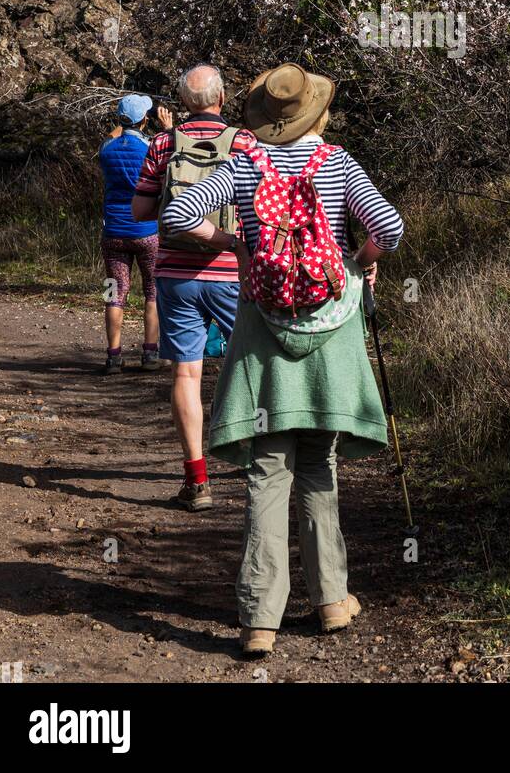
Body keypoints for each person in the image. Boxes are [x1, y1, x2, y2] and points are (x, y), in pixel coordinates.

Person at [159, 62, 404, 657]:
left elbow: (174, 216)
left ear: (265, 120)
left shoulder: (244, 165)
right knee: (319, 465)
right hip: (331, 339)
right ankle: (331, 601)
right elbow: (389, 228)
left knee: (267, 472)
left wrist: (238, 246)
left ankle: (259, 620)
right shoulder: (338, 164)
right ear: (316, 114)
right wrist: (354, 261)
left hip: (263, 336)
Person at [130, 64, 257, 511]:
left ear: (183, 103)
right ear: (222, 98)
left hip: (176, 274)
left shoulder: (163, 143)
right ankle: (260, 465)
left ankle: (197, 481)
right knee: (251, 364)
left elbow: (142, 210)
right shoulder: (244, 142)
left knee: (186, 373)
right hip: (233, 269)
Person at [98, 93, 167, 374]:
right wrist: (164, 129)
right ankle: (150, 354)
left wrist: (122, 125)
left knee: (114, 292)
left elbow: (109, 138)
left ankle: (113, 356)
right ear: (144, 119)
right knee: (152, 291)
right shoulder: (151, 148)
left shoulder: (106, 150)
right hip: (146, 230)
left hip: (113, 231)